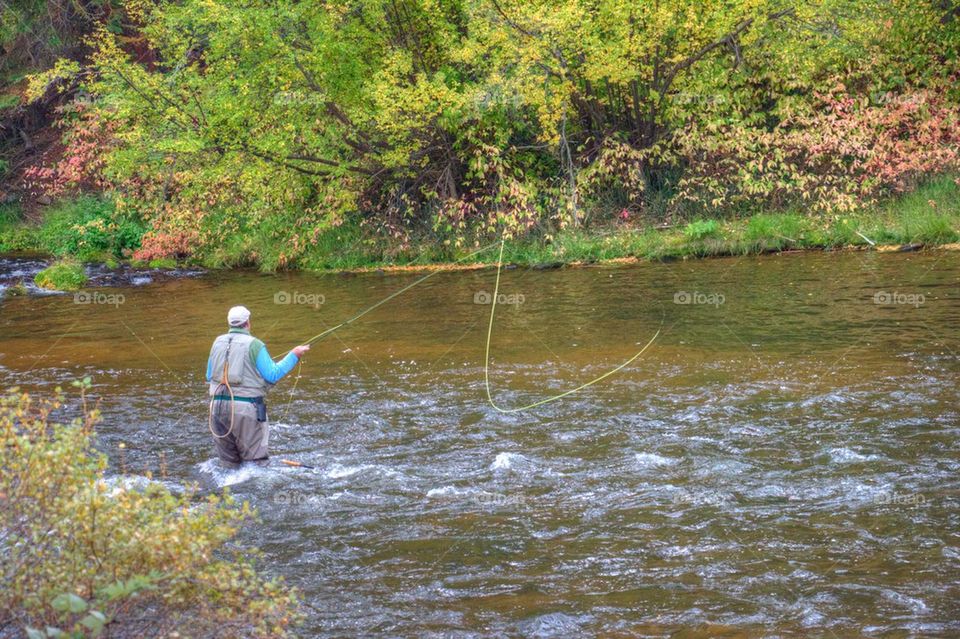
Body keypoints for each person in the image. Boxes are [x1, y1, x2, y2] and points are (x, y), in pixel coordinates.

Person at [205, 305, 310, 464]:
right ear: (248, 322)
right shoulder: (255, 344)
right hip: (246, 409)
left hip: (217, 408)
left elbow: (209, 375)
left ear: (229, 323)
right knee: (256, 465)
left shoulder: (217, 342)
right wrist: (294, 355)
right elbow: (273, 375)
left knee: (228, 465)